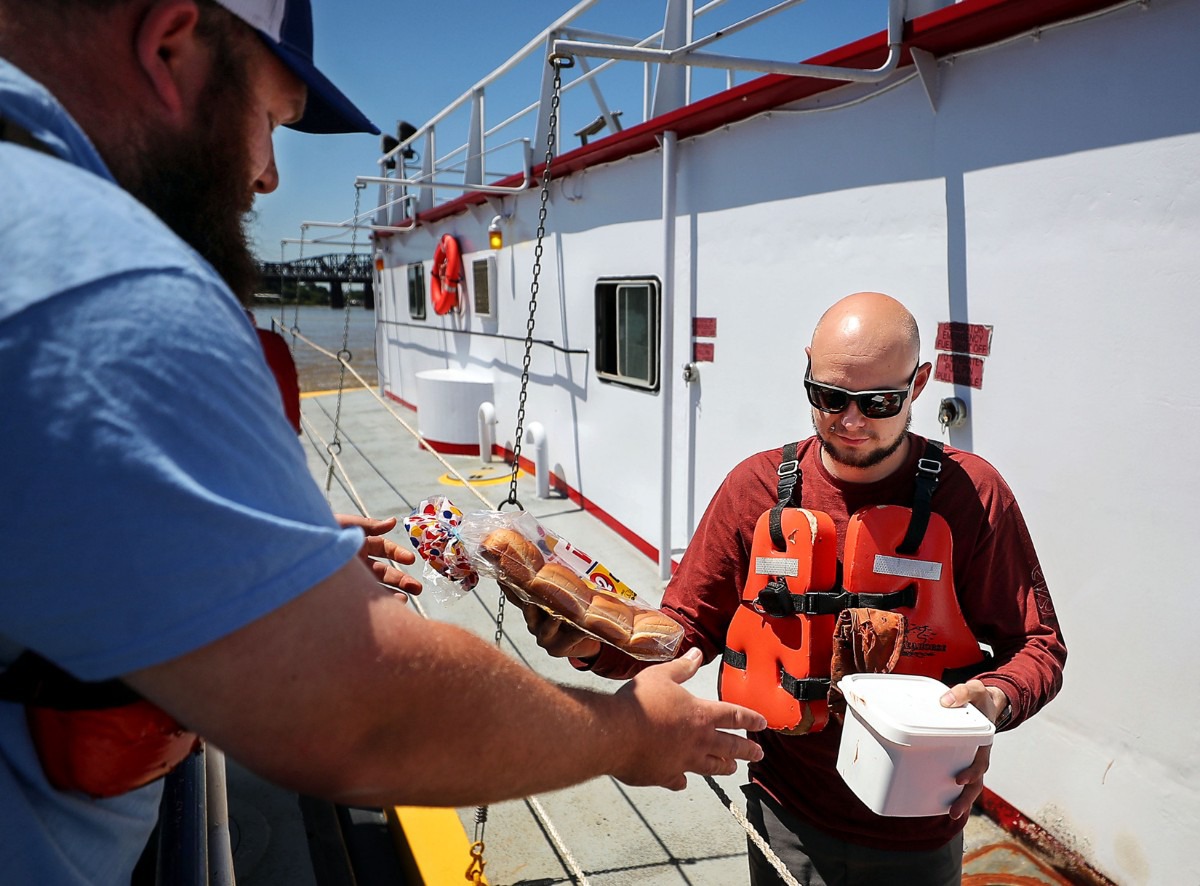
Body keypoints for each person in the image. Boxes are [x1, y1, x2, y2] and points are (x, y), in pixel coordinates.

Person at [0, 1, 767, 882]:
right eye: (271, 120)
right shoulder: (102, 282)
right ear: (168, 44)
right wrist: (626, 733)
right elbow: (354, 711)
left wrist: (270, 559)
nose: (270, 175)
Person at [514, 292, 1068, 885]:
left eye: (879, 401)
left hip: (920, 826)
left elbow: (1038, 647)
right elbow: (685, 627)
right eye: (830, 396)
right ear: (807, 370)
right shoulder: (753, 489)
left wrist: (990, 701)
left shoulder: (974, 496)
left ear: (920, 384)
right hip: (785, 810)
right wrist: (596, 644)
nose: (851, 421)